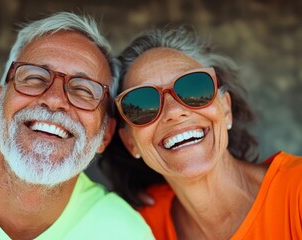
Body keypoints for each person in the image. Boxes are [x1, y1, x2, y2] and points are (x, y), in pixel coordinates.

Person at [0, 12, 154, 240]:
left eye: (83, 90)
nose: (54, 100)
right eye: (35, 78)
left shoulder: (123, 233)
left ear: (106, 135)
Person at [100, 25, 302, 239]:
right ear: (131, 142)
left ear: (225, 109)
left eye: (192, 88)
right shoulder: (137, 226)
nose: (175, 112)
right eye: (142, 103)